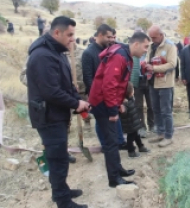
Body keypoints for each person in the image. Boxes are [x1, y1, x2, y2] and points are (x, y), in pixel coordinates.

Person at [26, 16, 89, 208]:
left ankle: (61, 189)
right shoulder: (42, 56)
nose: (72, 39)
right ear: (56, 33)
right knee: (57, 159)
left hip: (56, 114)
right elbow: (51, 91)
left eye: (73, 35)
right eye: (69, 35)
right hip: (48, 116)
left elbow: (63, 83)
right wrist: (74, 103)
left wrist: (77, 98)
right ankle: (62, 200)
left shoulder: (56, 52)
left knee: (59, 155)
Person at [88, 32, 150, 188]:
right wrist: (112, 110)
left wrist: (119, 101)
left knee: (115, 140)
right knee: (110, 142)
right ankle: (114, 179)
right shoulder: (119, 56)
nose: (146, 50)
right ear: (136, 44)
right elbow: (109, 85)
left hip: (108, 102)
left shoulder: (125, 54)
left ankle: (118, 169)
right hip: (102, 103)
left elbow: (120, 83)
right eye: (145, 46)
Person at [21, 26, 77, 164]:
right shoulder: (39, 55)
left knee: (62, 134)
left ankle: (62, 152)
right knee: (52, 139)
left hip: (60, 101)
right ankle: (52, 155)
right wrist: (42, 84)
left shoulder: (60, 53)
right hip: (45, 105)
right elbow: (24, 76)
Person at [81, 24, 127, 150]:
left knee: (113, 117)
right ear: (100, 35)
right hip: (97, 96)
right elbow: (88, 78)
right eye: (108, 37)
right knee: (101, 120)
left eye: (112, 37)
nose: (111, 39)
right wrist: (95, 97)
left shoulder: (110, 50)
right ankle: (105, 144)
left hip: (109, 93)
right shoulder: (88, 53)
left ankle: (119, 141)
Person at [145, 25, 177, 147]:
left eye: (154, 37)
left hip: (165, 83)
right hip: (152, 82)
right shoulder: (151, 46)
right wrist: (146, 65)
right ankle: (160, 133)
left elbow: (172, 64)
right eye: (151, 37)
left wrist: (154, 68)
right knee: (156, 110)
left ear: (161, 35)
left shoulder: (170, 46)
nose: (152, 39)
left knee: (166, 111)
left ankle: (169, 136)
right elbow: (148, 59)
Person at [130, 30, 155, 138]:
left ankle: (152, 125)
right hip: (137, 81)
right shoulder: (132, 53)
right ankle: (141, 127)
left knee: (151, 104)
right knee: (138, 106)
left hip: (148, 80)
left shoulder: (149, 50)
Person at [119, 82, 151, 158]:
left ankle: (141, 147)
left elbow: (134, 111)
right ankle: (131, 151)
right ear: (129, 92)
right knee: (130, 138)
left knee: (137, 135)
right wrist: (122, 110)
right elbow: (124, 113)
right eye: (133, 89)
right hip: (129, 125)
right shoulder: (125, 103)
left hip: (134, 123)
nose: (134, 91)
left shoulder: (131, 99)